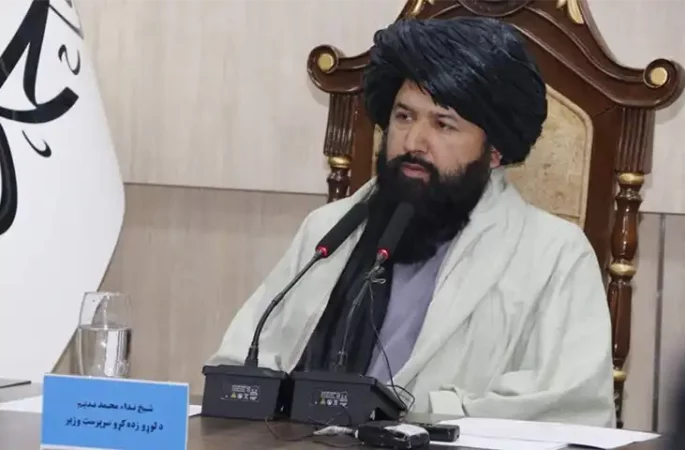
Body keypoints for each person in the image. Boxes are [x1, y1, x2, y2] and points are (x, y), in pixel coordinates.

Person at [209, 17, 616, 427]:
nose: (413, 142)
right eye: (404, 117)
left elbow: (570, 407)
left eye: (443, 124)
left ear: (494, 151)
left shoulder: (553, 255)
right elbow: (242, 363)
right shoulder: (329, 232)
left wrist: (416, 415)